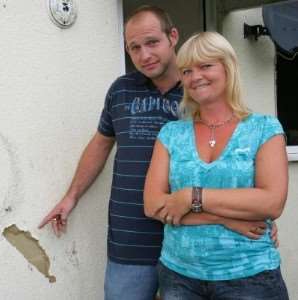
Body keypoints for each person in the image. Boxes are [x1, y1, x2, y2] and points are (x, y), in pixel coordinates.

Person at [40, 6, 280, 300]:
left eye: (152, 42)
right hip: (132, 238)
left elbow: (242, 167)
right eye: (134, 48)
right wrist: (71, 197)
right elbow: (101, 143)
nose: (144, 55)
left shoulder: (204, 91)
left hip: (195, 248)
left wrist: (255, 212)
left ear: (173, 37)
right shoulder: (121, 90)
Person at [144, 31, 289, 299]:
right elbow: (153, 205)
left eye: (205, 65)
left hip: (250, 276)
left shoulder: (264, 129)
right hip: (178, 276)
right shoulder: (171, 133)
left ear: (228, 67)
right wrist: (226, 218)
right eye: (186, 70)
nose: (195, 76)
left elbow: (271, 202)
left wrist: (190, 197)